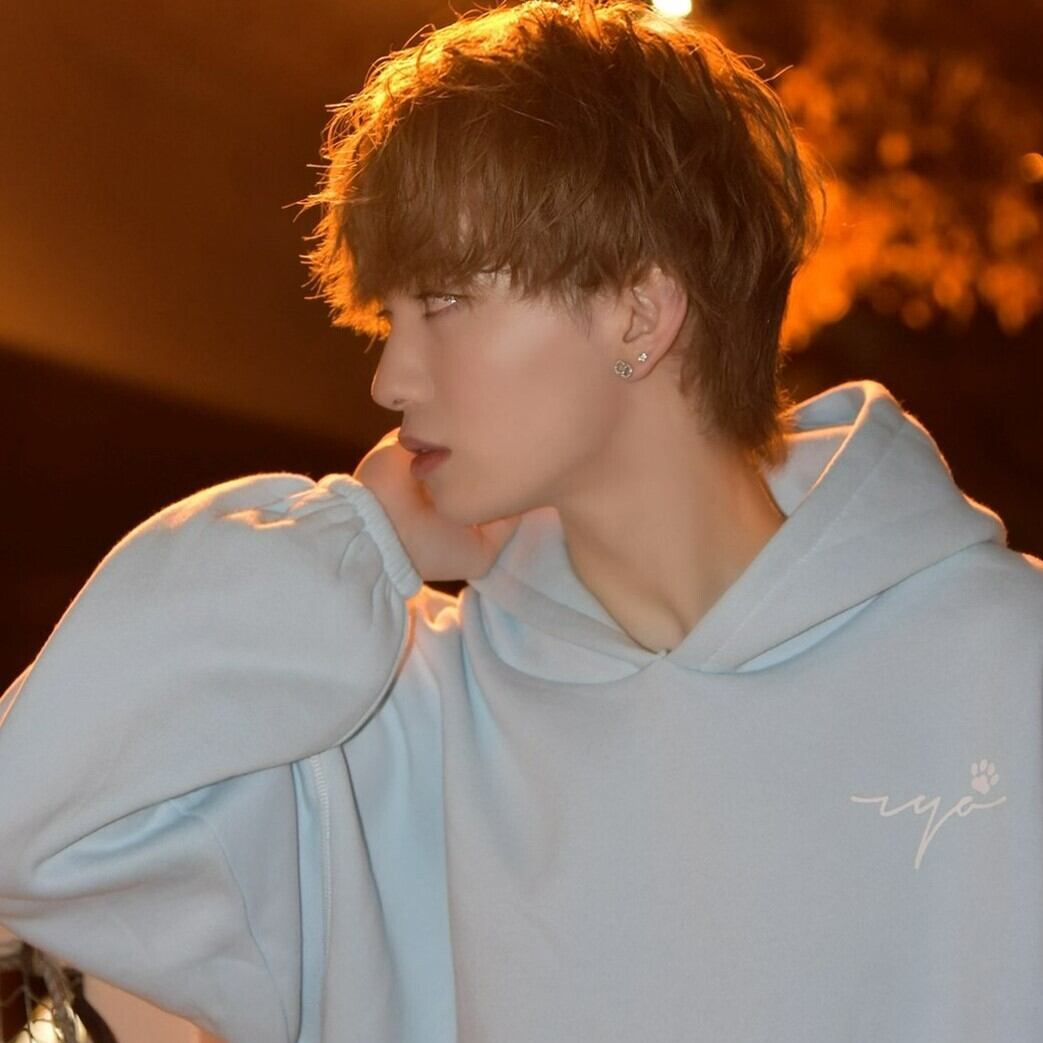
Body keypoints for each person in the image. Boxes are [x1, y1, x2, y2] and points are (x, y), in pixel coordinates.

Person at [1, 1, 1041, 1040]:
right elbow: (23, 829)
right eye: (390, 316)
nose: (389, 378)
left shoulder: (1001, 662)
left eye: (443, 301)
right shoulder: (393, 728)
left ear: (637, 311)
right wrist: (355, 540)